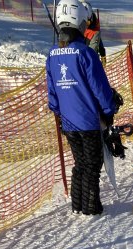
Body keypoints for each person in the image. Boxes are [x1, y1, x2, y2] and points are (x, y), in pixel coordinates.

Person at [46, 0, 117, 215]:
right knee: (92, 165)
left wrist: (57, 111)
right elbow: (100, 88)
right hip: (87, 121)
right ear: (79, 22)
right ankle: (91, 208)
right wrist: (108, 110)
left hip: (68, 121)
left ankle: (77, 205)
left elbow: (52, 91)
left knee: (80, 163)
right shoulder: (86, 53)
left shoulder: (51, 55)